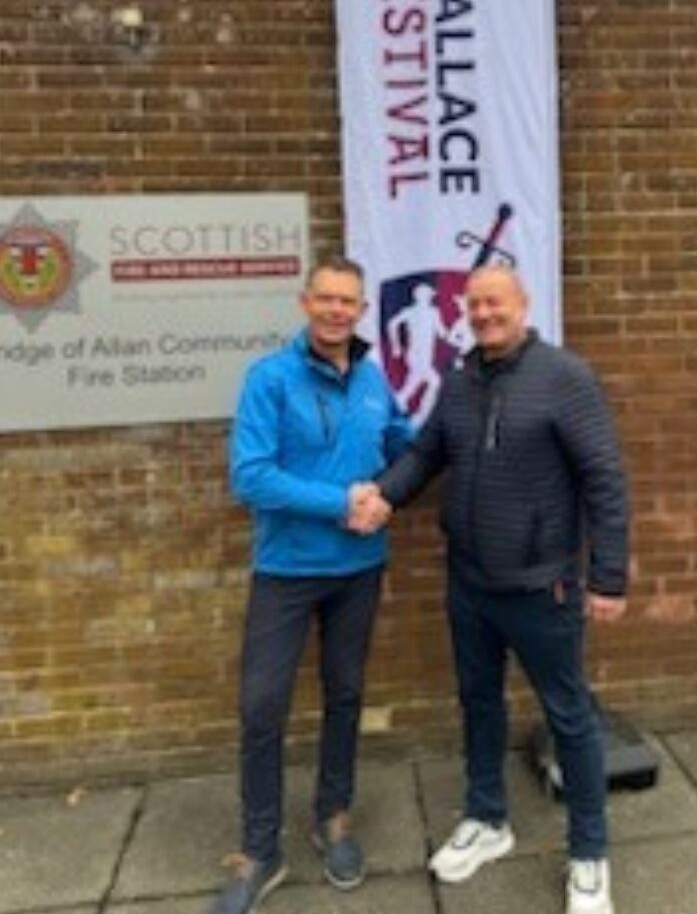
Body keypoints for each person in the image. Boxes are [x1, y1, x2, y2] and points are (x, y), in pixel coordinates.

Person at [349, 265, 629, 914]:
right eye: (473, 305)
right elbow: (425, 454)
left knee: (570, 719)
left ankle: (589, 857)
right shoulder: (460, 378)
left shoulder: (565, 378)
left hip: (542, 586)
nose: (483, 314)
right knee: (478, 703)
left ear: (522, 306)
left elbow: (604, 480)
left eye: (494, 302)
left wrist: (607, 576)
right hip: (468, 582)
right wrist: (382, 497)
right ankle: (487, 820)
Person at [208, 256, 413, 914]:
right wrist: (342, 501)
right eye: (323, 298)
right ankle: (261, 848)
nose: (334, 310)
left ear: (359, 310)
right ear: (305, 304)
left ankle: (333, 817)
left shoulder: (375, 380)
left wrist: (390, 496)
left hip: (359, 570)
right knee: (261, 707)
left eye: (346, 301)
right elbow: (251, 476)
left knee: (345, 694)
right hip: (287, 571)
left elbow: (409, 449)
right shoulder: (269, 378)